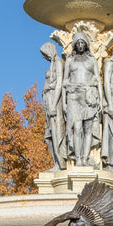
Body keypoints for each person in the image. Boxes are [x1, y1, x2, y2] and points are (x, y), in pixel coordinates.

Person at [62, 31, 101, 167]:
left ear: (86, 44)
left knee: (88, 129)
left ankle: (85, 158)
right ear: (74, 45)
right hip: (74, 97)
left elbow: (98, 80)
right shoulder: (70, 60)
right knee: (77, 128)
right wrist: (64, 103)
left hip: (89, 97)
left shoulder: (92, 60)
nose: (80, 45)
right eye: (77, 43)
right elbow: (64, 82)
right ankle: (78, 159)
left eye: (82, 43)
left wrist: (101, 99)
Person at [40, 41, 67, 169]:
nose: (43, 57)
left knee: (57, 131)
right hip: (48, 100)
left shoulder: (58, 63)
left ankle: (60, 161)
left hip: (55, 101)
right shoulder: (52, 64)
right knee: (49, 135)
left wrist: (54, 104)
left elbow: (59, 83)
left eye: (45, 54)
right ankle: (55, 161)